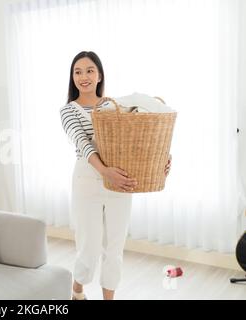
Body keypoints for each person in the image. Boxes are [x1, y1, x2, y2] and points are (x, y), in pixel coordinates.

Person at [59, 51, 171, 300]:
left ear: (99, 75)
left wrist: (162, 158)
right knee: (88, 247)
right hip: (88, 180)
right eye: (78, 72)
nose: (83, 77)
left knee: (114, 248)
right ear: (72, 77)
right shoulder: (69, 110)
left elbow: (139, 139)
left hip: (120, 181)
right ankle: (77, 289)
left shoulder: (115, 106)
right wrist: (105, 171)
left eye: (89, 70)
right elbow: (83, 143)